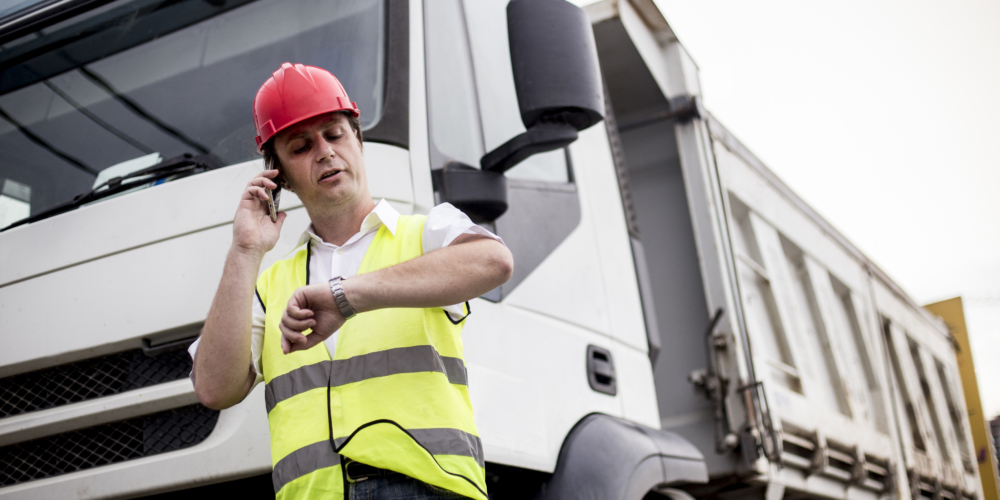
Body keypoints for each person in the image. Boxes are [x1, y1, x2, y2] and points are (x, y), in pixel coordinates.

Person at [189, 62, 512, 500]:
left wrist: (346, 296)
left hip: (429, 488)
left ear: (358, 140)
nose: (324, 151)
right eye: (301, 146)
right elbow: (213, 389)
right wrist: (245, 250)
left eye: (335, 134)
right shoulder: (269, 283)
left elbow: (494, 261)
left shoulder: (429, 232)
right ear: (278, 176)